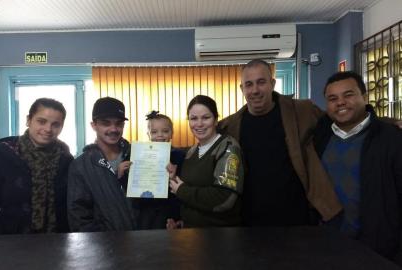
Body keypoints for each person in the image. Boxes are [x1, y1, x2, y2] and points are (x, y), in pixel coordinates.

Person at [218, 59, 342, 226]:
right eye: (249, 84)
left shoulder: (302, 111)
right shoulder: (229, 126)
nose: (255, 90)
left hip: (296, 216)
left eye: (261, 82)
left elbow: (339, 123)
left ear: (272, 83)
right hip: (248, 220)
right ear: (242, 89)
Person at [313, 71, 402, 259]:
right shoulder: (319, 136)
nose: (340, 102)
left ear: (364, 96)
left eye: (348, 95)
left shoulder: (392, 138)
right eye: (333, 98)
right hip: (328, 246)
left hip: (379, 249)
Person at [0, 98, 73, 234]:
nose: (48, 129)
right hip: (8, 241)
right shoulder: (2, 154)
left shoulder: (66, 159)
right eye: (41, 121)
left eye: (56, 124)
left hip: (56, 240)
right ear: (28, 120)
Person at [167, 95, 244, 228]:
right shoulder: (191, 152)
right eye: (194, 118)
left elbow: (224, 199)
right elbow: (191, 194)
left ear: (215, 120)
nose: (199, 124)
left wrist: (181, 190)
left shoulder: (228, 148)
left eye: (206, 117)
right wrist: (183, 223)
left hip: (218, 237)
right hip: (192, 236)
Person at [67, 97, 135, 232]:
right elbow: (78, 215)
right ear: (94, 125)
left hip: (144, 242)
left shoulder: (138, 156)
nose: (114, 129)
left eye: (119, 123)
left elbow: (152, 203)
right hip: (103, 246)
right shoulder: (81, 166)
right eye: (106, 123)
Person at [132, 111, 185, 230]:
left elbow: (184, 184)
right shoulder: (140, 154)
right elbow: (133, 183)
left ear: (172, 133)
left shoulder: (179, 156)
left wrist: (174, 176)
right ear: (148, 134)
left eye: (165, 131)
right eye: (154, 132)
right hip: (146, 205)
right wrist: (124, 172)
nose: (160, 135)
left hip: (170, 206)